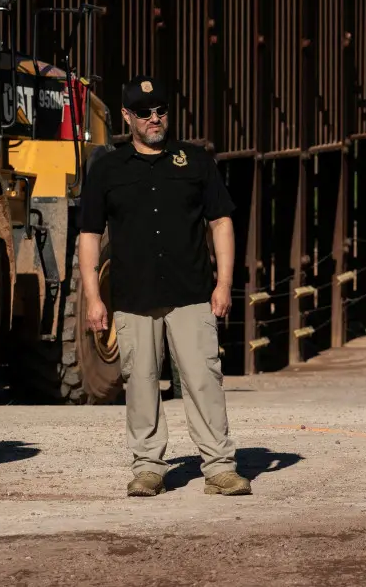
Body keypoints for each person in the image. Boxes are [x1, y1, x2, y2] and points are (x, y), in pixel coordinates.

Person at [77, 75, 251, 498]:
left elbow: (221, 222)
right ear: (126, 117)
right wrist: (93, 297)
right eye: (144, 113)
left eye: (160, 111)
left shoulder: (195, 162)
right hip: (134, 297)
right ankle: (149, 467)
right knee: (139, 380)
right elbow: (88, 235)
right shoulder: (107, 169)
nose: (154, 119)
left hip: (190, 292)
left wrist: (224, 283)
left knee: (203, 379)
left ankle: (220, 467)